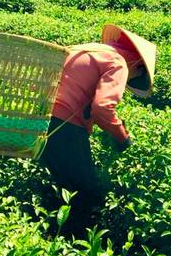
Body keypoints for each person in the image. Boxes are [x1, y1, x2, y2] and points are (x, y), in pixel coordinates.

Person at [40, 24, 156, 237]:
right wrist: (122, 137)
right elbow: (102, 108)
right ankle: (73, 244)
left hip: (38, 119)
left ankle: (50, 235)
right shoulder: (118, 62)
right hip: (64, 124)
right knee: (89, 191)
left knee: (67, 184)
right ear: (137, 65)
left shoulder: (88, 49)